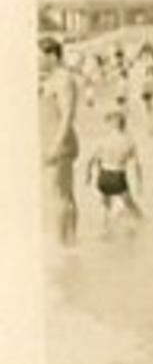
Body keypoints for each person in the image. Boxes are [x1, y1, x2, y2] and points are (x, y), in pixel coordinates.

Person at [39, 37, 80, 247]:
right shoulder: (52, 78)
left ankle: (62, 247)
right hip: (55, 141)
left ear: (52, 56)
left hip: (60, 144)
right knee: (65, 195)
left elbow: (67, 115)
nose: (36, 61)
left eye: (39, 56)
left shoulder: (63, 79)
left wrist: (56, 145)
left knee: (60, 195)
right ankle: (70, 244)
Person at [84, 108, 145, 230]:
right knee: (132, 206)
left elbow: (90, 161)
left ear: (111, 125)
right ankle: (145, 227)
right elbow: (137, 165)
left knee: (106, 208)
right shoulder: (130, 141)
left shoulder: (104, 140)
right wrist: (139, 184)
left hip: (103, 178)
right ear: (125, 124)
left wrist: (88, 176)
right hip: (118, 177)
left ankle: (105, 231)